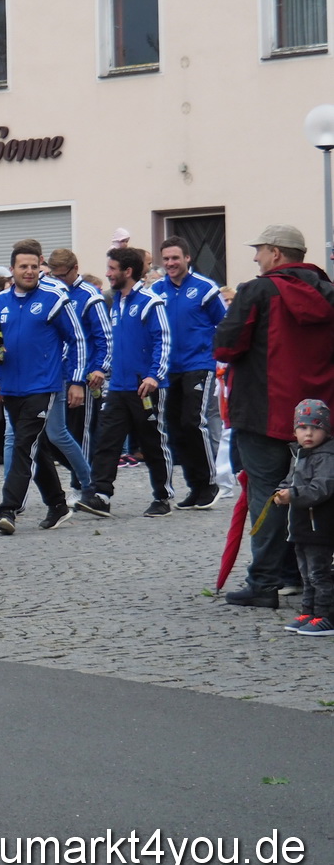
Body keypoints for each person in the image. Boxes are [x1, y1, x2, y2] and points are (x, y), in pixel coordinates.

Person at [215, 225, 334, 608]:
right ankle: (299, 575)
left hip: (263, 410)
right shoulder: (327, 292)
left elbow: (227, 345)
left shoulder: (258, 290)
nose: (256, 258)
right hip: (318, 414)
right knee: (310, 495)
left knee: (267, 495)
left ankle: (264, 582)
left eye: (260, 250)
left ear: (277, 253)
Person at [0, 243, 88, 534]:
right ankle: (57, 504)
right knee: (36, 447)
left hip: (44, 385)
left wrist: (77, 380)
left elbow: (77, 339)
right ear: (12, 269)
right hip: (13, 387)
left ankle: (9, 509)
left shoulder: (55, 299)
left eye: (33, 266)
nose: (28, 271)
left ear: (40, 266)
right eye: (22, 267)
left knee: (22, 444)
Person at [81, 248, 173, 518]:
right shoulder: (116, 303)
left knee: (152, 442)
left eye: (111, 268)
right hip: (118, 388)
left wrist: (153, 375)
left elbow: (163, 341)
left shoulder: (149, 302)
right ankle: (101, 494)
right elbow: (113, 345)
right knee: (107, 441)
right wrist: (101, 370)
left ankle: (163, 496)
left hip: (145, 388)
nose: (107, 273)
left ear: (127, 272)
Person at [151, 237, 228, 509]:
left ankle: (209, 484)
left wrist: (219, 356)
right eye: (167, 259)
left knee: (192, 422)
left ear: (187, 258)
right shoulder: (157, 290)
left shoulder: (206, 288)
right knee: (175, 428)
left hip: (199, 364)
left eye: (176, 258)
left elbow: (225, 323)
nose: (171, 263)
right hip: (168, 369)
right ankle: (194, 486)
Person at [45, 249, 111, 493]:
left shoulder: (90, 296)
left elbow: (104, 337)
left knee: (80, 431)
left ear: (75, 269)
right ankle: (83, 475)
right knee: (53, 436)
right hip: (55, 373)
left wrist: (99, 369)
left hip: (84, 376)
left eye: (63, 276)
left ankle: (81, 486)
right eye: (55, 276)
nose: (59, 280)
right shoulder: (51, 293)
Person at [276, 399, 334, 634]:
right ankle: (308, 612)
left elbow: (322, 488)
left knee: (320, 574)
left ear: (326, 430)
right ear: (295, 430)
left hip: (320, 527)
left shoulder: (327, 456)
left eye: (315, 427)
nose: (308, 433)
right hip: (301, 526)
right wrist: (280, 493)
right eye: (303, 427)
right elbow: (290, 480)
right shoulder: (299, 453)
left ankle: (326, 615)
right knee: (306, 574)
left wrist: (294, 494)